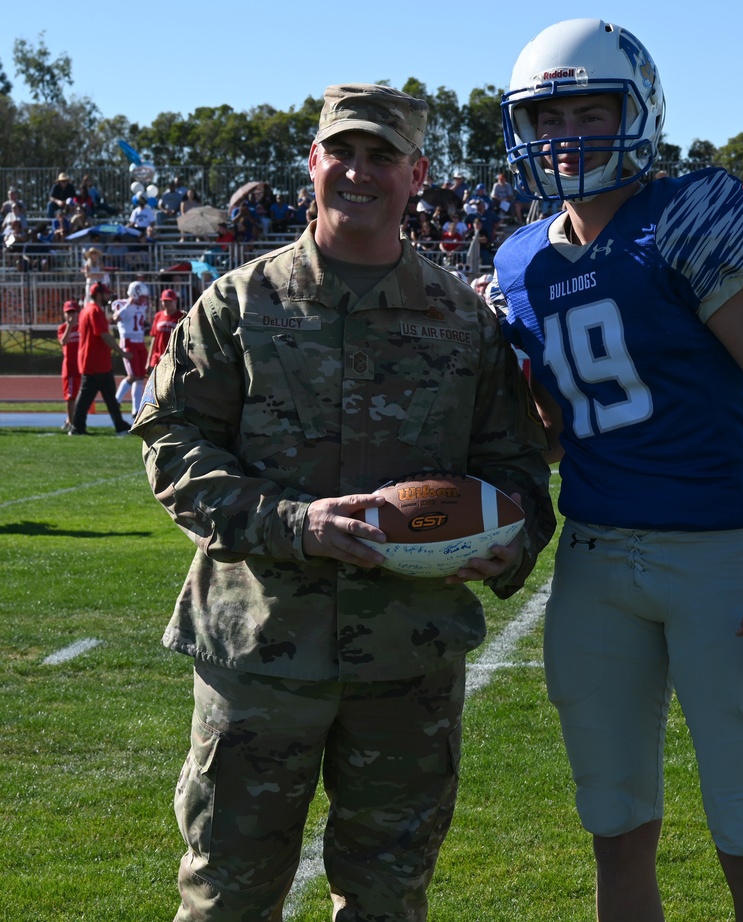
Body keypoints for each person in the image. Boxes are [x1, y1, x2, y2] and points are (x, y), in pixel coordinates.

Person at [131, 82, 555, 922]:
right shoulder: (238, 304)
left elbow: (517, 471)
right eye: (343, 152)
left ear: (416, 173)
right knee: (226, 896)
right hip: (261, 657)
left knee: (390, 900)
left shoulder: (461, 321)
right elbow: (173, 448)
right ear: (314, 163)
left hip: (409, 661)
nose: (359, 172)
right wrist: (296, 524)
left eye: (382, 156)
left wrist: (512, 541)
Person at [492, 19, 743, 922]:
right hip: (596, 559)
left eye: (589, 110)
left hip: (719, 560)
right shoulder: (520, 259)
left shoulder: (689, 212)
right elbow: (558, 427)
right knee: (614, 830)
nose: (564, 136)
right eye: (546, 116)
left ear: (637, 111)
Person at [69, 282, 133, 436]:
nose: (108, 296)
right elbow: (103, 335)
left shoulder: (88, 310)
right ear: (98, 294)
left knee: (111, 397)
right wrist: (121, 352)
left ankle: (120, 425)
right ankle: (77, 427)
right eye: (106, 294)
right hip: (94, 362)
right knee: (86, 397)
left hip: (100, 362)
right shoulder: (95, 311)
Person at [111, 280, 150, 415]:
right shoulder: (120, 304)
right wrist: (129, 303)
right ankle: (115, 401)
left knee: (140, 377)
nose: (144, 300)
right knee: (132, 375)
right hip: (128, 341)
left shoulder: (142, 304)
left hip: (140, 342)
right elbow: (116, 318)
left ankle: (136, 409)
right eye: (142, 296)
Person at [57, 300, 82, 432]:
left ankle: (70, 420)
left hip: (81, 367)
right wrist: (69, 326)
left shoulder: (82, 327)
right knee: (70, 397)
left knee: (80, 396)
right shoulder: (62, 328)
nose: (71, 315)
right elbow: (63, 341)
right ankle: (72, 422)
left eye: (73, 312)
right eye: (68, 312)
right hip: (70, 367)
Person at [146, 289, 186, 371]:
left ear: (175, 301)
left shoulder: (181, 316)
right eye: (165, 301)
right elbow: (154, 338)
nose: (167, 303)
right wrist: (149, 359)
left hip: (173, 357)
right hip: (157, 357)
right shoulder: (158, 316)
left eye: (169, 301)